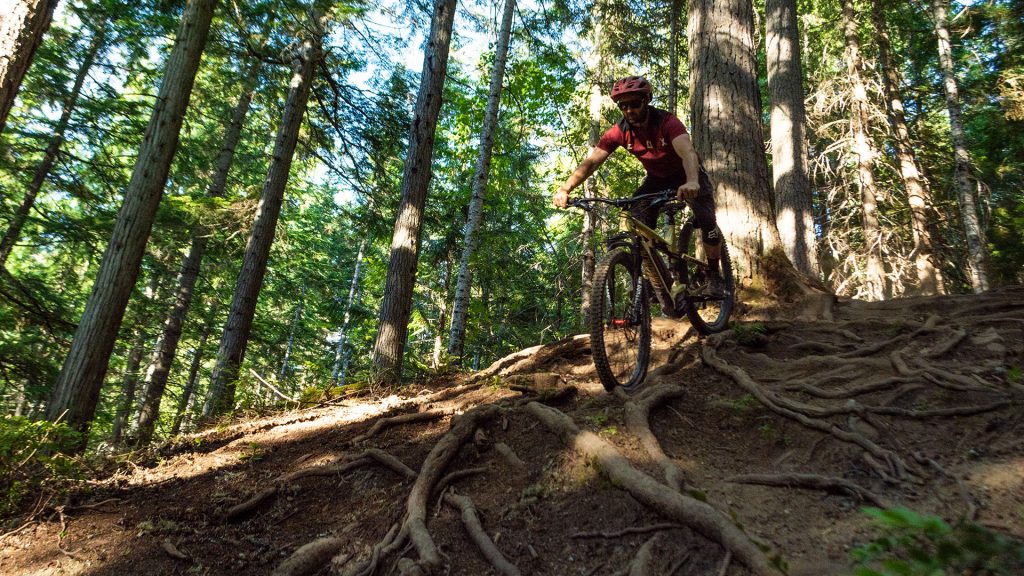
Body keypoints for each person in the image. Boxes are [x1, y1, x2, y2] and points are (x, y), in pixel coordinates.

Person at [553, 75, 724, 297]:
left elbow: (687, 152)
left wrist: (692, 181)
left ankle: (714, 274)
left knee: (707, 220)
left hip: (687, 173)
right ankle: (659, 281)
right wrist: (566, 189)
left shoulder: (666, 122)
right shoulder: (620, 131)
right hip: (657, 178)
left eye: (635, 104)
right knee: (637, 220)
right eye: (623, 106)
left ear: (647, 100)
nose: (629, 110)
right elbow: (592, 161)